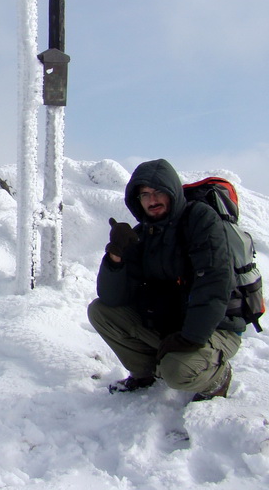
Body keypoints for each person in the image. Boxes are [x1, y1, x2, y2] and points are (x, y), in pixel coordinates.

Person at [87, 158, 244, 401]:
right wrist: (116, 257)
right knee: (101, 311)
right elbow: (112, 298)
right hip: (172, 326)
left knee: (177, 372)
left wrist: (191, 337)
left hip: (214, 327)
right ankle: (146, 372)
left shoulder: (200, 220)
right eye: (145, 194)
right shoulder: (143, 235)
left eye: (158, 191)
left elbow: (213, 284)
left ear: (172, 191)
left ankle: (217, 379)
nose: (152, 199)